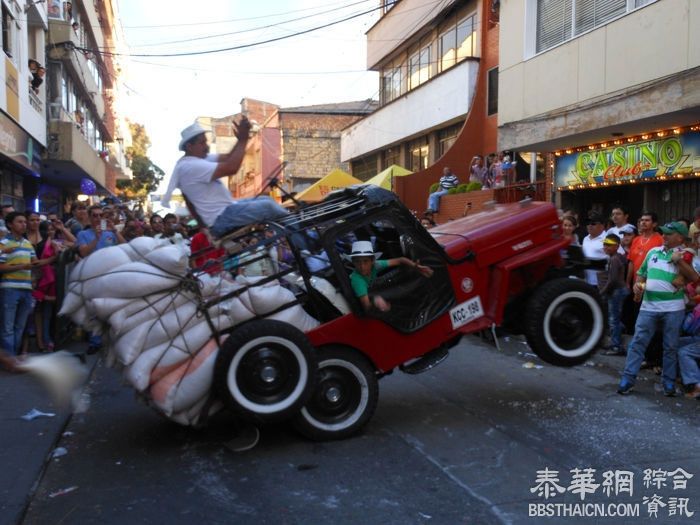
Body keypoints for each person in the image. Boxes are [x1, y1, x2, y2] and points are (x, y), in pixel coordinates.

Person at [164, 118, 289, 239]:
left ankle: (293, 228)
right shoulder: (190, 166)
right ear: (189, 146)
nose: (206, 147)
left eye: (206, 142)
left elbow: (229, 157)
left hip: (225, 211)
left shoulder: (196, 159)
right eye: (202, 143)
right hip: (222, 217)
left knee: (266, 200)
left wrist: (241, 139)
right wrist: (243, 139)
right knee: (268, 206)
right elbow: (232, 168)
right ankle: (301, 238)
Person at [617, 221, 699, 396]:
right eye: (663, 233)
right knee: (638, 342)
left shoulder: (686, 255)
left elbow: (693, 277)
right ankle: (628, 379)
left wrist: (679, 262)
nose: (664, 237)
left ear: (680, 237)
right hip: (648, 307)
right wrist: (637, 286)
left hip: (673, 309)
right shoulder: (653, 252)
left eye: (669, 234)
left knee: (670, 346)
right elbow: (641, 274)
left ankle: (668, 383)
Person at [76, 205, 125, 353]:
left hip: (110, 275)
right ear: (90, 218)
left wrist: (115, 230)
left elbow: (126, 247)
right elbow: (84, 252)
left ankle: (112, 341)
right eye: (95, 216)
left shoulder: (110, 233)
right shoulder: (83, 234)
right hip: (92, 276)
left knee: (112, 309)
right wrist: (96, 238)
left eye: (100, 215)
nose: (98, 218)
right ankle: (95, 341)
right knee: (93, 311)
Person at [0, 212, 48, 356]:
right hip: (9, 289)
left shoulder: (27, 244)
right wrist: (20, 267)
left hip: (26, 289)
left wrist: (52, 257)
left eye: (24, 222)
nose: (24, 225)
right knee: (7, 327)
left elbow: (35, 263)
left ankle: (12, 357)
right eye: (20, 222)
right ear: (10, 225)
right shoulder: (3, 244)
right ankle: (11, 358)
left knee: (20, 326)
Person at [348, 240, 433, 313]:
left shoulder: (375, 265)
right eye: (357, 262)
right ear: (353, 262)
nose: (362, 266)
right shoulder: (357, 280)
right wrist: (375, 301)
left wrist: (415, 266)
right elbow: (366, 307)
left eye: (365, 261)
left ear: (372, 261)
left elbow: (400, 260)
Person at [599, 234, 630, 356]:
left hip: (616, 291)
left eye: (608, 245)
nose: (605, 247)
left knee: (613, 319)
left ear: (617, 246)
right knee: (614, 318)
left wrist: (602, 292)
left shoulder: (614, 259)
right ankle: (616, 338)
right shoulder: (617, 257)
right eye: (604, 244)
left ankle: (616, 346)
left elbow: (612, 280)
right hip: (619, 290)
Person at [581, 211, 607, 286]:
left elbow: (619, 258)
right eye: (588, 223)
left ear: (602, 225)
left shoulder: (608, 239)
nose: (590, 226)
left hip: (600, 284)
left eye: (593, 223)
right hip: (585, 282)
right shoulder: (585, 238)